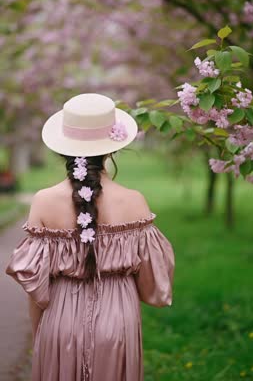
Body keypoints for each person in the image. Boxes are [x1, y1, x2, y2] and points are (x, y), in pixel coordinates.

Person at [5, 92, 175, 381]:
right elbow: (153, 287)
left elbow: (36, 289)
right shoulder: (134, 202)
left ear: (63, 149)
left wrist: (40, 336)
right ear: (111, 150)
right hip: (119, 323)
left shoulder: (43, 201)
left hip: (60, 321)